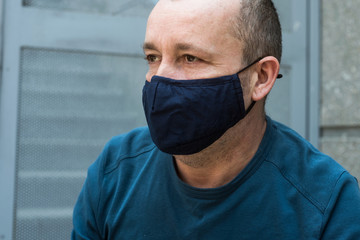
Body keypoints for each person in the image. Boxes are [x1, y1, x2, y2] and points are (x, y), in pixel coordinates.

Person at [72, 0, 360, 239]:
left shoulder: (328, 204)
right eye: (153, 57)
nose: (159, 78)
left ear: (261, 77)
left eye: (190, 58)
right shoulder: (115, 171)